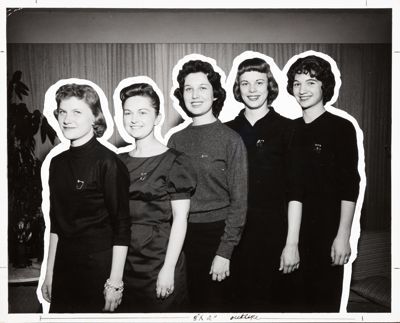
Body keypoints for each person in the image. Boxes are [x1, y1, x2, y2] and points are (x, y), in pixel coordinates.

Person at [41, 83, 130, 313]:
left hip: (99, 270)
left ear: (94, 117)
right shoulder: (56, 163)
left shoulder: (108, 162)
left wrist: (115, 283)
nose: (67, 119)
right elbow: (56, 224)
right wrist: (49, 273)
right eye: (62, 112)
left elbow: (122, 225)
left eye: (76, 112)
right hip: (64, 267)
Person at [168, 59, 248, 312]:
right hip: (182, 236)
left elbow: (240, 201)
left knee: (215, 308)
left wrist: (224, 252)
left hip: (218, 236)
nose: (195, 95)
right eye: (188, 89)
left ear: (215, 94)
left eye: (202, 88)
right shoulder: (176, 140)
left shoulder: (230, 139)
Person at [283, 55, 360, 311]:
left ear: (323, 86)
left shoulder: (341, 127)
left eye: (311, 82)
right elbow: (291, 188)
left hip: (327, 233)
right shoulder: (289, 130)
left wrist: (343, 235)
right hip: (291, 232)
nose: (302, 90)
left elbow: (349, 184)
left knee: (323, 306)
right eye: (297, 83)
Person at [117, 82, 197, 312]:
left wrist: (168, 269)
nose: (134, 119)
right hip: (126, 263)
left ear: (157, 117)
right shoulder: (117, 162)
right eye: (128, 113)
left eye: (143, 112)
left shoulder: (175, 161)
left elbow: (181, 220)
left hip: (160, 261)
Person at [226, 57, 294, 311]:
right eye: (245, 83)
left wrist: (291, 243)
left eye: (259, 82)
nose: (252, 89)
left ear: (269, 86)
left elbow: (295, 191)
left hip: (275, 235)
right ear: (238, 88)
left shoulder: (288, 129)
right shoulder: (228, 131)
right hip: (235, 236)